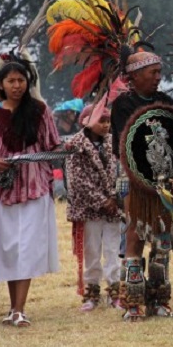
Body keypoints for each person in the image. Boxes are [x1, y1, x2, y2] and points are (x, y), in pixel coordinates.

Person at [0, 62, 61, 327]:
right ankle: (13, 307)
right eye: (11, 81)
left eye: (21, 80)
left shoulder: (40, 111)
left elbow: (53, 145)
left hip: (34, 187)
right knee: (10, 248)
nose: (17, 86)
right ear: (1, 84)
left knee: (27, 248)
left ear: (28, 83)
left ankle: (19, 310)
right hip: (4, 191)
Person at [111, 51, 173, 321]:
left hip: (163, 181)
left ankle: (160, 302)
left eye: (159, 72)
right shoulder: (122, 105)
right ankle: (133, 304)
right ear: (135, 76)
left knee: (162, 239)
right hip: (133, 179)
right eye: (153, 73)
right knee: (135, 237)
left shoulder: (165, 101)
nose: (158, 78)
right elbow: (128, 142)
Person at [66, 104, 121, 312]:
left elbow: (120, 172)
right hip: (88, 210)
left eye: (108, 121)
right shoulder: (75, 146)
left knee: (113, 249)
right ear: (86, 122)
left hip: (113, 208)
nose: (106, 125)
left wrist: (115, 199)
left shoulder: (113, 142)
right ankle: (92, 293)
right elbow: (78, 181)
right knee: (91, 251)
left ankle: (115, 292)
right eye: (102, 121)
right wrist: (102, 201)